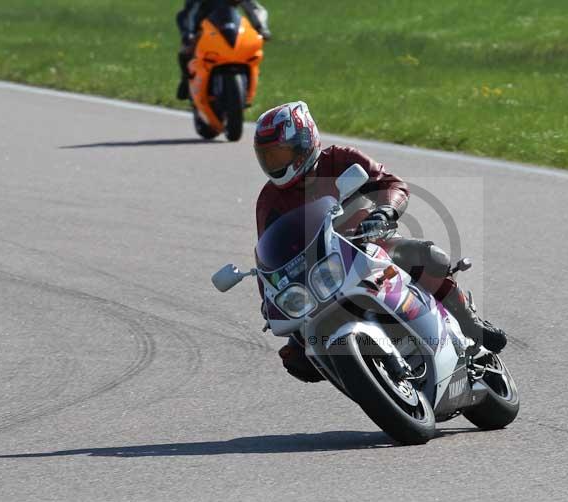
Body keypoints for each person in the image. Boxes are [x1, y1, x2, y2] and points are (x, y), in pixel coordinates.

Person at [253, 102, 508, 383]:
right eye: (268, 157)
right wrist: (270, 297)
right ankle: (364, 373)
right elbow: (268, 254)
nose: (275, 163)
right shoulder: (269, 201)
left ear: (305, 141)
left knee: (428, 256)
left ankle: (470, 324)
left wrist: (385, 210)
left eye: (280, 153)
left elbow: (391, 184)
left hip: (369, 244)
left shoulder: (340, 159)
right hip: (319, 274)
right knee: (297, 358)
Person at [175, 0, 272, 100]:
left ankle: (250, 76)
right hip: (204, 29)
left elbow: (254, 8)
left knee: (252, 49)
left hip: (230, 28)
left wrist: (262, 27)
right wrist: (188, 33)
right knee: (186, 51)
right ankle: (186, 80)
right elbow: (188, 13)